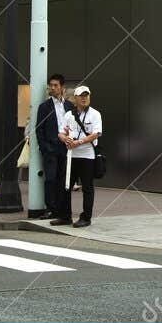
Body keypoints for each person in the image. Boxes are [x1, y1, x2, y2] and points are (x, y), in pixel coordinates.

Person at [61, 84, 102, 228]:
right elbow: (61, 132)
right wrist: (65, 139)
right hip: (71, 155)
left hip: (87, 156)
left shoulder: (95, 114)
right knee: (66, 186)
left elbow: (96, 133)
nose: (85, 98)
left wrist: (78, 142)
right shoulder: (69, 114)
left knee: (87, 187)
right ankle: (65, 216)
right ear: (75, 98)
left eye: (87, 95)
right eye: (81, 96)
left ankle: (86, 218)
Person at [36, 73, 73, 225]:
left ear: (62, 87)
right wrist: (45, 147)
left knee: (63, 180)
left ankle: (62, 209)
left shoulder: (69, 106)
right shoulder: (44, 107)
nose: (52, 88)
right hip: (51, 147)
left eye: (55, 85)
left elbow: (73, 125)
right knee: (50, 179)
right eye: (50, 85)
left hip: (66, 148)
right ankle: (51, 209)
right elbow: (39, 129)